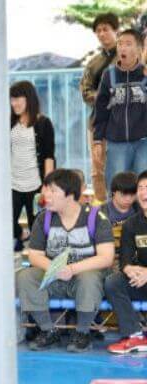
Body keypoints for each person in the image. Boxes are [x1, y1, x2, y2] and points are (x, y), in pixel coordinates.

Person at [17, 169, 114, 353]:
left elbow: (106, 257)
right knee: (26, 276)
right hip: (55, 276)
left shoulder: (96, 217)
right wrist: (56, 268)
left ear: (70, 194)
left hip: (84, 276)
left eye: (53, 191)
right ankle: (48, 330)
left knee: (89, 278)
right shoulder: (43, 218)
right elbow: (35, 255)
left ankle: (83, 333)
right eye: (46, 190)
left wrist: (72, 268)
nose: (46, 195)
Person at [94, 29, 147, 191]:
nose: (122, 48)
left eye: (128, 44)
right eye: (120, 44)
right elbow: (101, 110)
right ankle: (117, 218)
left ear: (139, 48)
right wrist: (97, 140)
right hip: (116, 143)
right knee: (117, 189)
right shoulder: (108, 75)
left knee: (144, 189)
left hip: (144, 142)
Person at [103, 169, 147, 354]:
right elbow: (126, 260)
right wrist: (130, 270)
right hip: (140, 280)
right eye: (141, 188)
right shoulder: (131, 224)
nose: (144, 192)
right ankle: (135, 335)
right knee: (114, 281)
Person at [10, 80, 55, 250]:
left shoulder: (43, 123)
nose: (14, 103)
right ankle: (20, 237)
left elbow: (48, 157)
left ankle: (37, 262)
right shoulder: (9, 122)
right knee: (6, 221)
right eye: (12, 99)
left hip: (35, 184)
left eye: (18, 99)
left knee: (38, 227)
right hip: (13, 183)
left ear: (28, 98)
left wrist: (47, 185)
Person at [81, 13, 119, 202]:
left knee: (122, 167)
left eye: (106, 29)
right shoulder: (93, 62)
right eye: (98, 31)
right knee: (97, 169)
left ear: (115, 30)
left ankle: (127, 212)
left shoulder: (128, 57)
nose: (102, 34)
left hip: (124, 123)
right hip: (97, 123)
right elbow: (85, 91)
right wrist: (104, 96)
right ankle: (104, 211)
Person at [102, 171, 139, 268]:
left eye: (132, 194)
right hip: (108, 257)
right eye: (124, 194)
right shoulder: (101, 212)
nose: (128, 199)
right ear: (113, 191)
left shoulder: (139, 209)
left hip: (133, 257)